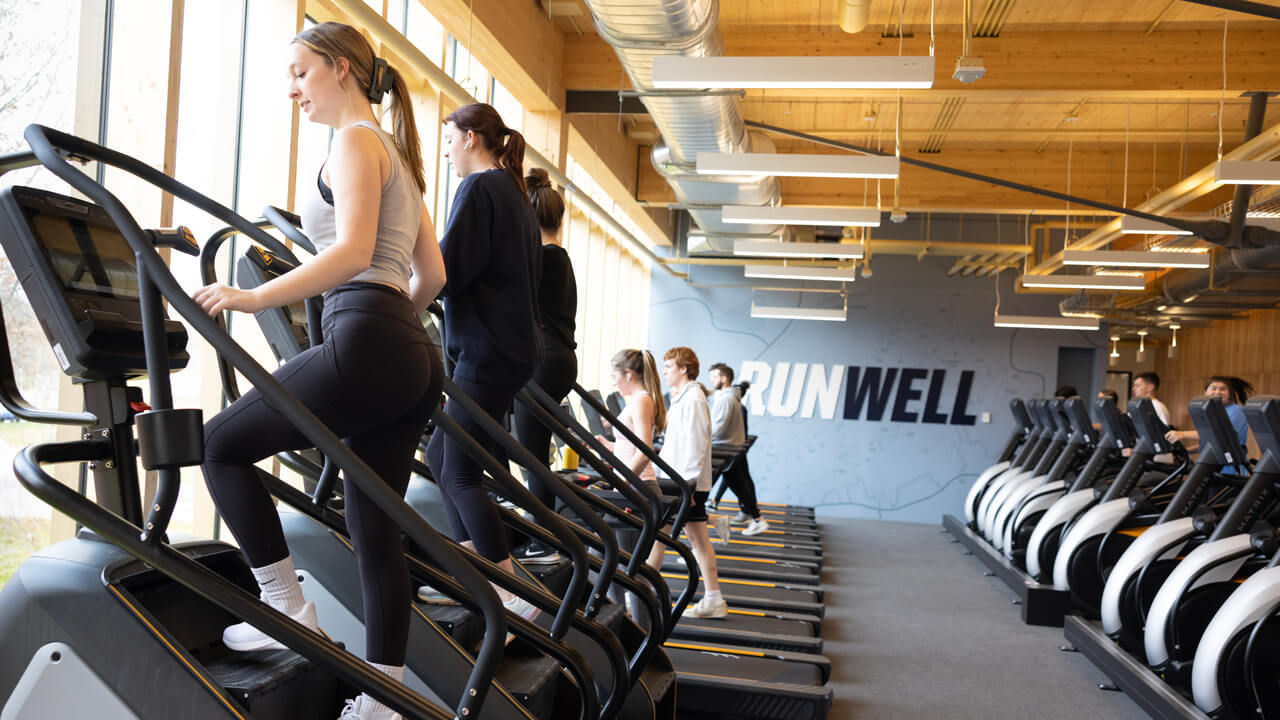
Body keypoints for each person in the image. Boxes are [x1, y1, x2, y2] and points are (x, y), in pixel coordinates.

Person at [195, 22, 443, 720]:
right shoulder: (396, 150)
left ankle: (285, 604)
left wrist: (252, 296)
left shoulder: (355, 142)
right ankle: (384, 700)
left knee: (220, 445)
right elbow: (433, 274)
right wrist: (396, 333)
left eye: (300, 73)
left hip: (366, 330)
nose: (292, 89)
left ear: (339, 69)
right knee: (374, 528)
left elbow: (352, 250)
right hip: (413, 352)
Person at [418, 103, 543, 624]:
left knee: (461, 471)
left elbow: (447, 268)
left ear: (470, 138)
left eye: (448, 141)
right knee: (441, 460)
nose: (445, 152)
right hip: (508, 350)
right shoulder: (512, 191)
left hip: (488, 352)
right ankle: (477, 570)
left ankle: (508, 593)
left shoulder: (479, 188)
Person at [511, 167, 577, 565]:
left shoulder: (541, 259)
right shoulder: (560, 257)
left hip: (544, 361)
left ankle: (546, 541)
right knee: (534, 452)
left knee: (531, 455)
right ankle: (540, 530)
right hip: (559, 359)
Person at [655, 347, 729, 619]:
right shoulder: (684, 397)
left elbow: (697, 445)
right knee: (695, 540)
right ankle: (714, 599)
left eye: (669, 367)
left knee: (659, 537)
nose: (665, 372)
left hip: (684, 484)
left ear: (684, 368)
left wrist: (688, 487)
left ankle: (636, 597)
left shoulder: (694, 399)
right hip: (679, 481)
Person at [707, 362, 769, 537]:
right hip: (730, 448)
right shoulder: (730, 396)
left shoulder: (726, 399)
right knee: (739, 486)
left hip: (724, 449)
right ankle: (756, 520)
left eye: (714, 376)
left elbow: (718, 428)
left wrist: (700, 438)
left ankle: (755, 521)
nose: (711, 380)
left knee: (737, 486)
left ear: (724, 379)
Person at [1165, 376, 1254, 473]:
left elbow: (1220, 435)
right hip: (1209, 465)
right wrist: (1188, 450)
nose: (1217, 392)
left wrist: (1182, 434)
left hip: (1229, 470)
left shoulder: (1236, 411)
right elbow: (1213, 443)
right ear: (1205, 392)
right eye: (1214, 388)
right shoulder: (1212, 412)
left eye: (1223, 389)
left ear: (1230, 393)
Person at [1132, 372, 1175, 464]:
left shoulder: (1157, 407)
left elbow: (1163, 435)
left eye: (1138, 385)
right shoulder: (1139, 406)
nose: (1134, 389)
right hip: (1142, 453)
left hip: (1157, 458)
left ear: (1150, 387)